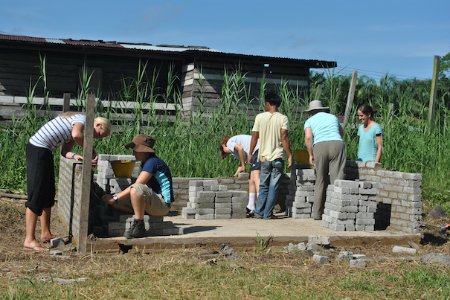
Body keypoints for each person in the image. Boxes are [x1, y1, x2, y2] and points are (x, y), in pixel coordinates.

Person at [24, 112, 111, 251]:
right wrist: (91, 151)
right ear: (98, 124)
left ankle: (45, 233)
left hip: (45, 151)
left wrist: (79, 156)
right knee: (36, 194)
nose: (97, 138)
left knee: (48, 193)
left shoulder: (77, 127)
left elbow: (65, 152)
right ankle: (29, 239)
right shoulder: (82, 120)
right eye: (100, 134)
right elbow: (77, 135)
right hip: (37, 149)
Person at [102, 134, 174, 239]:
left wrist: (115, 198)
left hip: (162, 205)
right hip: (152, 203)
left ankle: (139, 225)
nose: (133, 152)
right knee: (118, 201)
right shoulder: (145, 163)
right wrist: (114, 199)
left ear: (143, 151)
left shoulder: (153, 162)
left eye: (135, 150)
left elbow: (137, 185)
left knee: (136, 189)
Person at [248, 92, 292, 219]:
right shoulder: (283, 118)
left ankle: (258, 212)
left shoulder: (259, 117)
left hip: (264, 159)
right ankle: (267, 214)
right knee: (274, 186)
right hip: (278, 158)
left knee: (263, 186)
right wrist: (289, 155)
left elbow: (254, 137)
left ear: (268, 103)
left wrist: (250, 153)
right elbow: (284, 137)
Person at [304, 100, 346, 220]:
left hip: (320, 146)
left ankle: (317, 214)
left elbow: (308, 138)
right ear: (322, 109)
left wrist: (310, 154)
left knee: (320, 180)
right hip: (337, 144)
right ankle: (336, 213)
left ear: (311, 112)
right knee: (337, 180)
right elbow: (342, 132)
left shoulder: (309, 121)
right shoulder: (333, 117)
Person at [220, 134, 260, 214]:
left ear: (223, 145)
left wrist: (243, 165)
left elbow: (240, 149)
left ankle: (261, 205)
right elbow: (241, 163)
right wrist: (235, 175)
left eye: (224, 151)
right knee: (251, 179)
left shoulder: (229, 143)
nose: (227, 154)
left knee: (256, 178)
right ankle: (251, 206)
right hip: (256, 151)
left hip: (258, 149)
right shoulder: (234, 150)